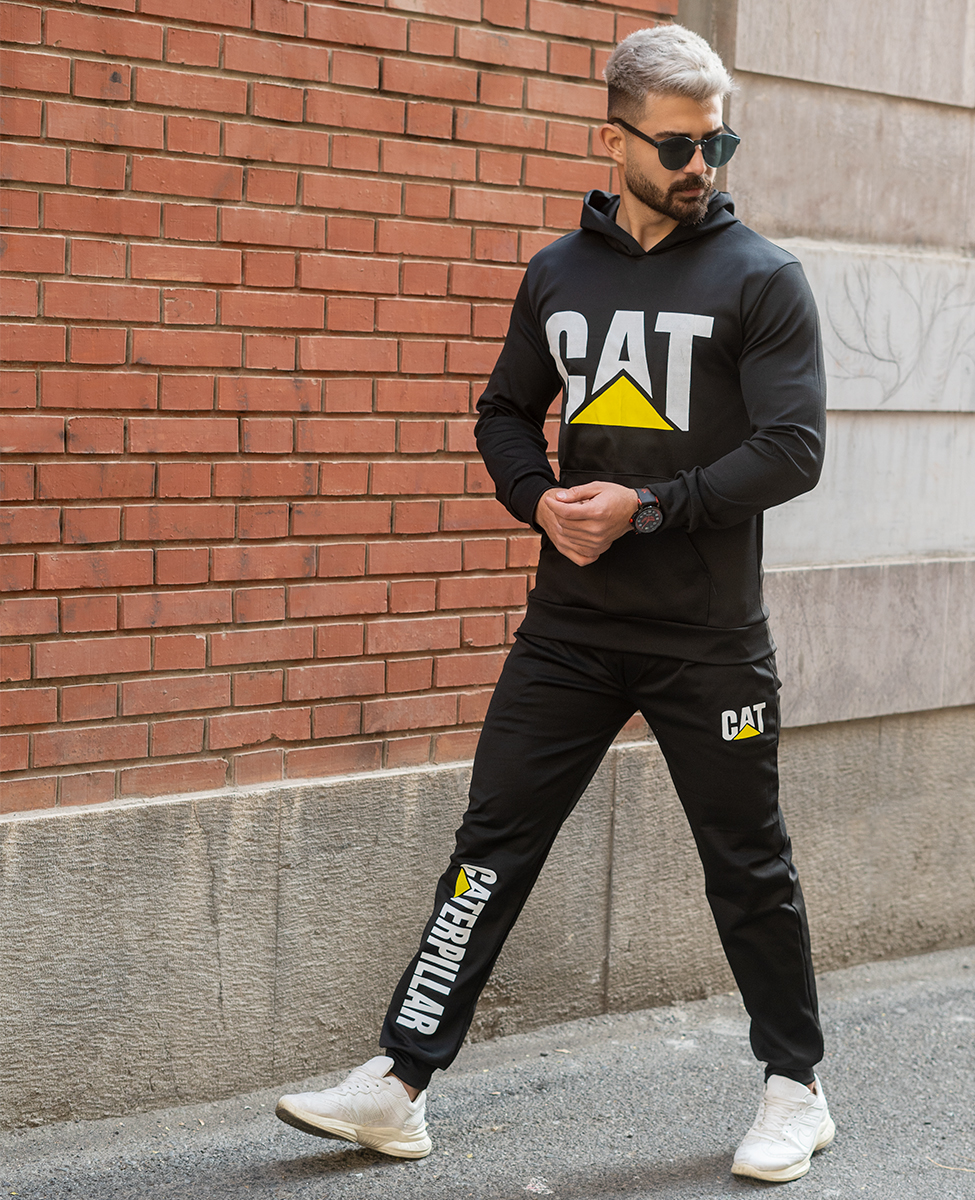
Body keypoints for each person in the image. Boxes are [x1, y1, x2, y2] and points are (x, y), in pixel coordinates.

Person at [276, 23, 832, 1183]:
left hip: (709, 639)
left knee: (748, 863)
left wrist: (650, 506)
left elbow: (793, 449)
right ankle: (399, 1084)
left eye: (719, 140)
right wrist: (537, 500)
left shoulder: (762, 279)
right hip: (570, 630)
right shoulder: (558, 275)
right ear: (612, 139)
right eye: (677, 145)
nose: (703, 164)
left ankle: (796, 1087)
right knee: (490, 847)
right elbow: (501, 412)